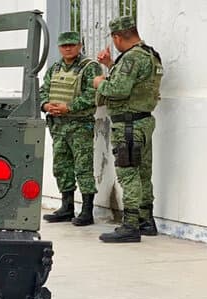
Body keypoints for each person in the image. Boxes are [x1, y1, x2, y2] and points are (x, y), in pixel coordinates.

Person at [93, 16, 163, 243]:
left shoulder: (131, 58)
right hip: (143, 121)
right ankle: (146, 221)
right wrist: (112, 65)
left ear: (117, 37)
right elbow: (137, 83)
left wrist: (100, 83)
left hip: (128, 125)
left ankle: (130, 225)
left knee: (128, 173)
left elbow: (119, 89)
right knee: (143, 173)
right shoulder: (150, 54)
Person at [39, 30, 102, 226]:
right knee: (61, 167)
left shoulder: (90, 67)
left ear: (79, 46)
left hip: (79, 126)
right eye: (64, 45)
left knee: (83, 168)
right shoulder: (55, 68)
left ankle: (87, 210)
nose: (68, 48)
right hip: (58, 126)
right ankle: (66, 207)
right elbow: (43, 91)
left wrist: (69, 107)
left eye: (72, 45)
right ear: (59, 47)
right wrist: (45, 105)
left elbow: (93, 94)